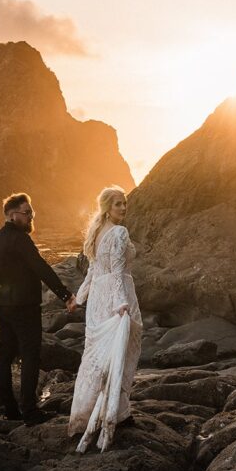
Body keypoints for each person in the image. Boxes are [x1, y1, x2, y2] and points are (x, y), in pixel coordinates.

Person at [0, 192, 76, 425]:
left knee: (4, 357)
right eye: (26, 213)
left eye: (31, 213)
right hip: (24, 307)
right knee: (30, 357)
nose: (30, 218)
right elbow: (41, 267)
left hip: (4, 306)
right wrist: (65, 295)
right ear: (11, 215)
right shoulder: (20, 239)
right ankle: (29, 411)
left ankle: (10, 410)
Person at [67, 185, 142, 451]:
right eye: (118, 204)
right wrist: (121, 302)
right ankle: (116, 415)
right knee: (119, 353)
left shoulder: (97, 232)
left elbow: (93, 272)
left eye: (124, 203)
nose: (123, 207)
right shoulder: (119, 232)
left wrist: (80, 298)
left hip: (99, 298)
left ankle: (115, 411)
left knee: (100, 357)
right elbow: (118, 271)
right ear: (107, 207)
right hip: (114, 296)